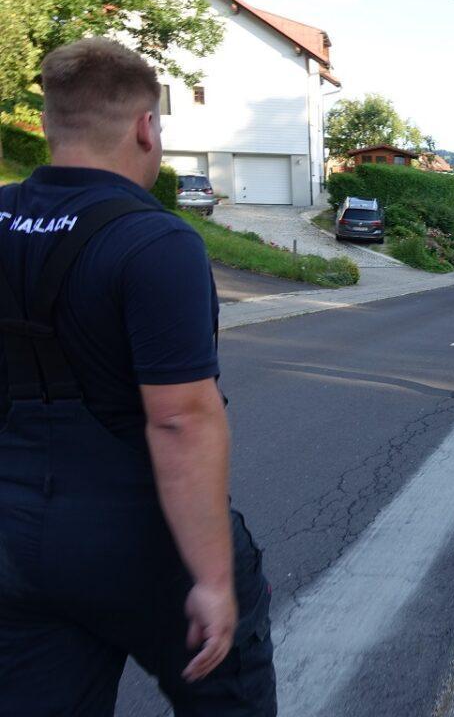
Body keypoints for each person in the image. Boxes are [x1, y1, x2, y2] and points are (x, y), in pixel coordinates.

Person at [0, 38, 275, 715]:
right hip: (142, 542)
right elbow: (180, 418)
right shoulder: (156, 241)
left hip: (14, 538)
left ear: (45, 123)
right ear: (146, 127)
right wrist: (212, 578)